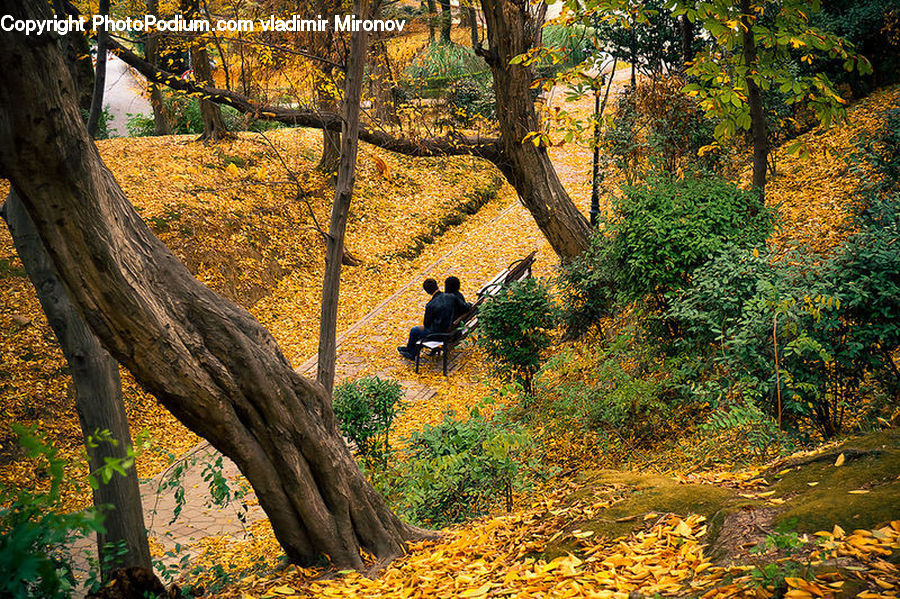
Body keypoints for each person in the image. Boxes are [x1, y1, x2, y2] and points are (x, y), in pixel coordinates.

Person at [398, 277, 469, 360]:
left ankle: (411, 351)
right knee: (418, 331)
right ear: (437, 285)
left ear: (427, 292)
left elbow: (426, 324)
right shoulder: (451, 296)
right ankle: (411, 350)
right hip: (452, 331)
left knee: (415, 330)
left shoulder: (430, 305)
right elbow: (465, 307)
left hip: (440, 334)